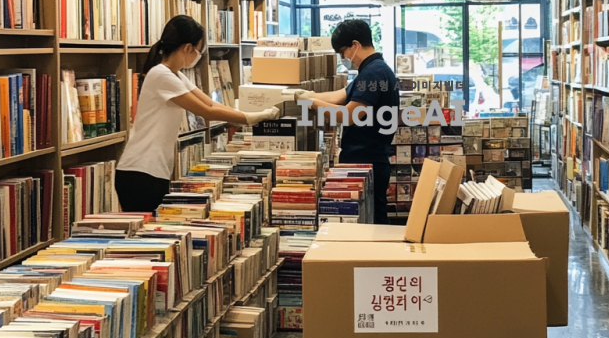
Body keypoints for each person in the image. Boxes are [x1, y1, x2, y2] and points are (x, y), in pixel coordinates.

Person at [115, 15, 279, 213]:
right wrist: (253, 118)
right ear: (187, 48)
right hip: (140, 171)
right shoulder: (161, 74)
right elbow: (207, 112)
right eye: (199, 50)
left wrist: (248, 114)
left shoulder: (175, 74)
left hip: (150, 171)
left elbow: (210, 102)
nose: (198, 56)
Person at [292, 19, 398, 224]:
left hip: (367, 161)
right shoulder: (374, 69)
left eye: (343, 52)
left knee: (371, 222)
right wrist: (309, 94)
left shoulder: (373, 73)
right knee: (371, 218)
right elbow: (341, 95)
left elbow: (349, 115)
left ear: (355, 45)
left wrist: (311, 103)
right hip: (371, 159)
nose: (343, 58)